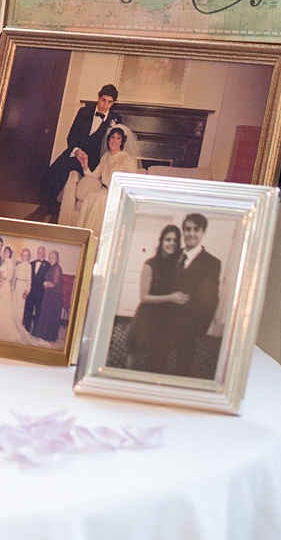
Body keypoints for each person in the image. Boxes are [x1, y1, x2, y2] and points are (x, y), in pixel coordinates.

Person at [41, 84, 121, 221]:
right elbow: (71, 137)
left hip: (92, 162)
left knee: (64, 166)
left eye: (109, 102)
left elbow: (112, 146)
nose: (105, 105)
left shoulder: (115, 119)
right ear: (98, 97)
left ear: (113, 103)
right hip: (75, 152)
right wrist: (77, 151)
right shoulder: (84, 112)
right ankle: (48, 206)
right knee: (51, 171)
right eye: (103, 100)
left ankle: (44, 210)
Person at [125, 225, 185, 372]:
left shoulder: (176, 266)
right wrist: (170, 298)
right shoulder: (150, 265)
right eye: (168, 239)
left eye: (175, 240)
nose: (171, 243)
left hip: (164, 319)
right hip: (147, 317)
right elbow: (144, 297)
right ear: (161, 241)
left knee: (157, 358)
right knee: (134, 354)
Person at [69, 125, 144, 238]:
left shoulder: (126, 158)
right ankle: (87, 238)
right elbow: (94, 176)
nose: (114, 141)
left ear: (122, 141)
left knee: (101, 199)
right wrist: (85, 166)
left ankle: (98, 239)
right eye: (112, 137)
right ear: (108, 140)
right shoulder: (105, 157)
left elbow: (131, 182)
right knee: (93, 196)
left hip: (119, 195)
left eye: (118, 138)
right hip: (106, 192)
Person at [172, 213, 222, 378]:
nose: (191, 234)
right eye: (187, 229)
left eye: (196, 229)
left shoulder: (212, 263)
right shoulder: (172, 255)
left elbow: (211, 300)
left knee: (183, 366)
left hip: (190, 327)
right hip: (166, 321)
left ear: (203, 232)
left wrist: (198, 331)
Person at [0, 245, 37, 344]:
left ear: (28, 256)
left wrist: (26, 290)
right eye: (23, 255)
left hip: (16, 286)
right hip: (9, 286)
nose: (24, 256)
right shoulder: (14, 264)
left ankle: (14, 325)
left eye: (26, 255)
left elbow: (10, 276)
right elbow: (12, 276)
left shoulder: (27, 266)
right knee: (3, 305)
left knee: (15, 307)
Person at [33, 249, 67, 344]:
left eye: (52, 257)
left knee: (50, 315)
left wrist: (46, 283)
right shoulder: (52, 267)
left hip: (54, 297)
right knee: (47, 315)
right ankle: (45, 334)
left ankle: (48, 335)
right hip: (50, 295)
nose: (50, 259)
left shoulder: (56, 268)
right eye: (50, 257)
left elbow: (54, 283)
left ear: (56, 258)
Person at [23, 247, 51, 333]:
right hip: (31, 291)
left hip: (40, 292)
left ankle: (35, 330)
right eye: (38, 252)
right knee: (29, 310)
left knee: (38, 311)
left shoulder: (48, 265)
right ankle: (27, 328)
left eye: (41, 252)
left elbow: (49, 278)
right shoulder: (31, 263)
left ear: (44, 253)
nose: (39, 253)